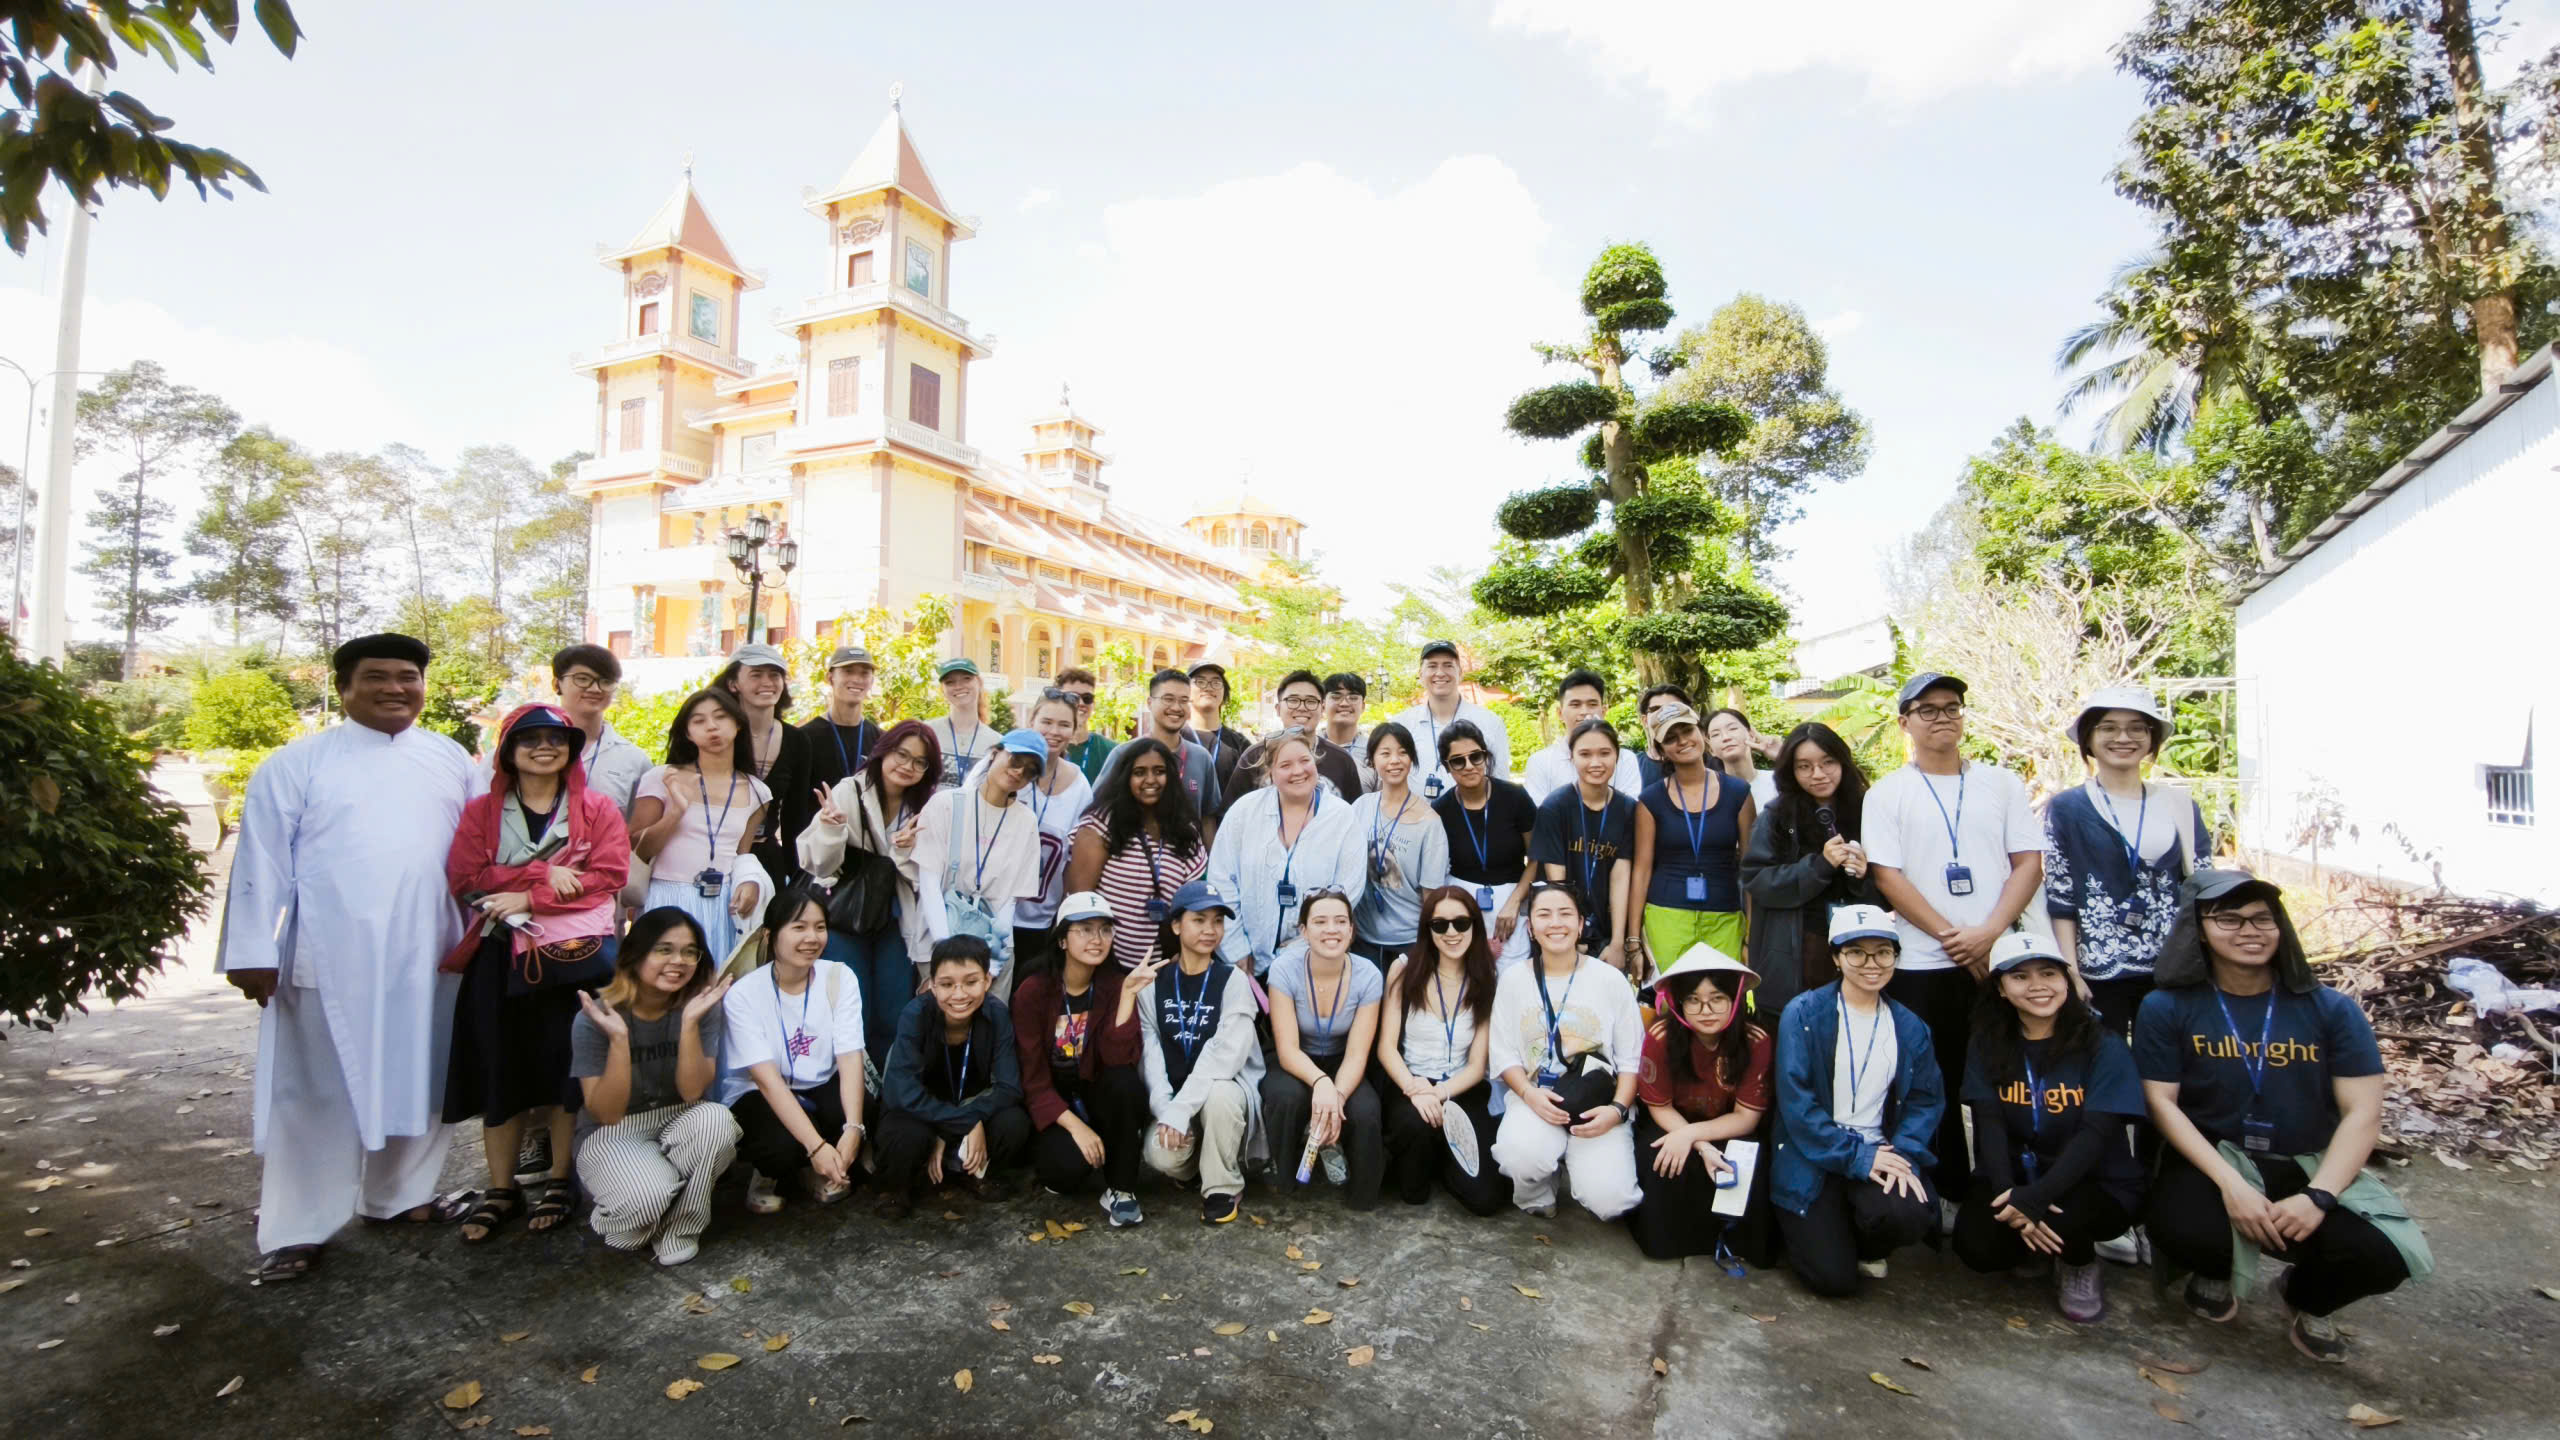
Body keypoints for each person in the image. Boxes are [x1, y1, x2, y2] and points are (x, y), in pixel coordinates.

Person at [218, 633, 478, 1282]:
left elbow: (479, 852)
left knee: (422, 1075)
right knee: (317, 1091)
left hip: (433, 947)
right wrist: (251, 949)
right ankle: (297, 1227)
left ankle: (400, 1197)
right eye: (377, 676)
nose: (396, 687)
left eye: (409, 676)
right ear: (344, 687)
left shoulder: (450, 759)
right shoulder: (297, 764)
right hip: (330, 954)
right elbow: (261, 861)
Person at [2136, 870, 2427, 1363]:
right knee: (2184, 1227)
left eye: (2262, 918)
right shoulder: (2167, 1007)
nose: (2249, 930)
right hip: (2219, 1158)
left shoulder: (2331, 1009)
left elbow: (2363, 1112)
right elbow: (2162, 1102)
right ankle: (2215, 1269)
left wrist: (2319, 1196)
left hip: (2308, 1159)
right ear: (2198, 928)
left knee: (2384, 1255)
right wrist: (2232, 1185)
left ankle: (2305, 1297)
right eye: (2229, 918)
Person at [443, 703, 631, 1244]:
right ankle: (500, 1187)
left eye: (556, 738)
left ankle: (559, 1177)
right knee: (499, 1065)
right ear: (508, 749)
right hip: (499, 955)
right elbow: (466, 878)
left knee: (565, 1067)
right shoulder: (482, 811)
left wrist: (529, 893)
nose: (544, 746)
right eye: (530, 738)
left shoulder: (595, 809)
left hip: (570, 957)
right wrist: (551, 873)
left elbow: (609, 874)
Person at [1866, 671, 2043, 1203]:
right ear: (1905, 723)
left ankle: (2012, 1188)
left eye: (1952, 707)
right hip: (1923, 962)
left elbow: (2028, 863)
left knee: (2009, 1081)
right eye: (1928, 710)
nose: (1942, 718)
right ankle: (1946, 1195)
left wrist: (1988, 934)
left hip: (2001, 958)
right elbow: (1887, 876)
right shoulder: (1887, 792)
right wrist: (1953, 938)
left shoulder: (2002, 783)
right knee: (1932, 1083)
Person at [1953, 931, 2146, 1323]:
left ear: (2066, 981)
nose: (2038, 986)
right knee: (1976, 1245)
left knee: (2068, 1215)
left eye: (2049, 974)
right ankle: (2036, 1245)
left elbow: (2096, 1133)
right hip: (2018, 1177)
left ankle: (2079, 1262)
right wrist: (2009, 1192)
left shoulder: (2103, 1044)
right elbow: (1987, 1122)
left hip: (2092, 1181)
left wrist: (2038, 1196)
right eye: (2020, 977)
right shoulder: (1987, 1042)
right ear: (2002, 989)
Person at [1769, 904, 1944, 1298]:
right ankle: (1817, 1234)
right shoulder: (1803, 1014)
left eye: (1883, 952)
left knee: (1913, 1212)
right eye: (1856, 952)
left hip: (1876, 1148)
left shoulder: (1910, 1027)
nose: (1872, 964)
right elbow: (1797, 1104)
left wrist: (1903, 1152)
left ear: (1896, 957)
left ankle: (1860, 1241)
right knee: (1834, 1280)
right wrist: (1857, 1158)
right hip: (1812, 1153)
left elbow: (1925, 1101)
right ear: (1836, 957)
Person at [569, 907, 739, 1266]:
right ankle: (642, 1205)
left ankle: (679, 1227)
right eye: (664, 949)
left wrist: (690, 1023)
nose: (678, 961)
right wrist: (618, 1040)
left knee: (718, 1121)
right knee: (647, 1198)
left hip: (679, 1117)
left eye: (690, 951)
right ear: (636, 953)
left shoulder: (701, 1006)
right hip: (612, 1131)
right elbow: (606, 1111)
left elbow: (693, 1093)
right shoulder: (595, 1019)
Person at [2048, 687, 2205, 1040]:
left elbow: (2203, 890)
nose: (2123, 737)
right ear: (2088, 738)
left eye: (2137, 727)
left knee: (2172, 1070)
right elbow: (2061, 898)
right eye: (2108, 727)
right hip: (2099, 974)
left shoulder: (2180, 806)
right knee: (2108, 1069)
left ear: (2151, 739)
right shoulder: (2068, 808)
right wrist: (2071, 973)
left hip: (2173, 970)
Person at [1489, 883, 1643, 1221]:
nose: (1555, 923)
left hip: (1595, 1101)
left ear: (1581, 924)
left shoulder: (1609, 980)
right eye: (1544, 915)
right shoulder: (1513, 979)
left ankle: (1582, 1160)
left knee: (1612, 1203)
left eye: (1565, 914)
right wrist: (1529, 1095)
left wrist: (1616, 1111)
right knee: (1520, 1156)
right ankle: (1538, 1188)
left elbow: (1632, 1060)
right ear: (1530, 928)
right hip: (1537, 1096)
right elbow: (1503, 1055)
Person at [799, 719, 941, 1064]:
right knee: (851, 1005)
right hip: (846, 915)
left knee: (893, 1009)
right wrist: (833, 829)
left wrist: (908, 852)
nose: (907, 766)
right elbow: (818, 865)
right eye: (901, 754)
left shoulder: (927, 806)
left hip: (895, 917)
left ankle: (887, 1091)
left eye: (919, 762)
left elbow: (926, 877)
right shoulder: (849, 791)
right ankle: (847, 1090)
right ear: (883, 751)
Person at [721, 883, 867, 1214]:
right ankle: (774, 1171)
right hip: (761, 1092)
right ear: (770, 935)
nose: (811, 938)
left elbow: (849, 1057)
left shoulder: (839, 977)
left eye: (819, 927)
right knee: (779, 1145)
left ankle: (818, 1167)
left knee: (860, 1110)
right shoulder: (743, 994)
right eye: (798, 927)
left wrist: (854, 1128)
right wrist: (816, 1147)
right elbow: (767, 1081)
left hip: (820, 1082)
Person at [1009, 893, 1150, 1225]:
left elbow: (1118, 1060)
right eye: (1084, 930)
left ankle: (1121, 1189)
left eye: (1105, 930)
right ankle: (1079, 1154)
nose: (1097, 939)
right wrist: (1077, 1129)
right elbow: (1033, 1078)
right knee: (1064, 1171)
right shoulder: (1033, 990)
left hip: (1095, 1094)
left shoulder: (1116, 984)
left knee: (1125, 1082)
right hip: (1053, 1104)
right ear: (1061, 939)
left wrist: (1128, 997)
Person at [1629, 943, 1773, 1266]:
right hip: (1672, 1121)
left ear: (1734, 999)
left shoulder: (1755, 1041)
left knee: (1749, 1164)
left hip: (1728, 1126)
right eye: (1693, 1000)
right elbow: (1660, 1105)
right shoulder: (1662, 1036)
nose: (1705, 1010)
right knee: (1662, 1163)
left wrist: (1695, 1137)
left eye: (1717, 999)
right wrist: (1699, 1144)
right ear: (1679, 1003)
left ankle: (1733, 1243)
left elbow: (1746, 1117)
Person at [1131, 881, 1268, 1223]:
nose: (1210, 930)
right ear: (1176, 925)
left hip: (1223, 1095)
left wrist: (1181, 1107)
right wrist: (1168, 1110)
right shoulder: (1154, 984)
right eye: (1199, 920)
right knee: (1160, 1155)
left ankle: (1222, 1186)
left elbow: (1224, 1057)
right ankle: (1193, 1170)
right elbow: (1151, 1056)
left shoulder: (1233, 980)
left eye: (1218, 921)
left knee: (1220, 1093)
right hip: (1177, 1098)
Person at [875, 935, 1033, 1217]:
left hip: (971, 1104)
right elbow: (902, 1092)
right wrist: (964, 1122)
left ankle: (972, 1172)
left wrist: (964, 1121)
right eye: (947, 985)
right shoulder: (915, 1015)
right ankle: (896, 1188)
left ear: (987, 980)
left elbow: (1009, 1087)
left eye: (971, 982)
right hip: (920, 1112)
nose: (959, 994)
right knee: (905, 1132)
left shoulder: (996, 1014)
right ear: (932, 985)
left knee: (1014, 1122)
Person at [1375, 886, 1509, 1214]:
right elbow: (1386, 1048)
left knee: (1486, 1200)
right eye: (1440, 925)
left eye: (1461, 923)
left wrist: (1439, 1093)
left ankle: (1445, 1154)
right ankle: (1427, 1150)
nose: (1451, 932)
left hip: (1461, 1089)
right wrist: (1414, 1089)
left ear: (1475, 926)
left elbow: (1478, 1066)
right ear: (1428, 929)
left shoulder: (1487, 978)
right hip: (1411, 1084)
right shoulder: (1404, 970)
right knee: (1413, 1192)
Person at [1742, 722, 1880, 1018]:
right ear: (1791, 770)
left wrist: (1863, 876)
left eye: (1828, 762)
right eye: (1804, 766)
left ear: (1843, 761)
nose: (1818, 774)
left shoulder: (1870, 809)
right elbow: (1757, 880)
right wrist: (1819, 866)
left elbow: (1890, 890)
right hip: (1799, 949)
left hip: (1860, 947)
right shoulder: (1777, 816)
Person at [1261, 889, 1387, 1209]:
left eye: (1340, 921)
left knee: (1365, 1112)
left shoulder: (1368, 975)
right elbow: (1287, 1048)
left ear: (1351, 930)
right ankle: (1285, 1178)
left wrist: (1337, 1097)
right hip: (1296, 1058)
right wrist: (1320, 1082)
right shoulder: (1284, 969)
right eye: (1320, 921)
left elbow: (1358, 1053)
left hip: (1343, 1059)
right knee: (1285, 1097)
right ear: (1303, 931)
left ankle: (1359, 1192)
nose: (1331, 929)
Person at [1207, 729, 1369, 977]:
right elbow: (1222, 879)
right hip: (1245, 964)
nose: (1298, 771)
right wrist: (1236, 949)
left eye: (1305, 761)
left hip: (1314, 961)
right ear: (1270, 772)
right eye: (1285, 765)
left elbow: (1348, 890)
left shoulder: (1343, 817)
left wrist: (1301, 948)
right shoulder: (1244, 812)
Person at [629, 689, 772, 961]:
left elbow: (742, 854)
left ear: (738, 724)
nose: (712, 727)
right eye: (698, 721)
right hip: (666, 896)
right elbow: (636, 847)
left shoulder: (758, 791)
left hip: (723, 903)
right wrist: (676, 812)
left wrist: (751, 880)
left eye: (720, 717)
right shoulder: (662, 777)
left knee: (716, 987)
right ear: (687, 733)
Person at [1627, 703, 1753, 984]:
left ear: (1702, 734)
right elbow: (1642, 870)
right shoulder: (1650, 800)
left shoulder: (1738, 793)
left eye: (1687, 731)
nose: (1683, 741)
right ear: (1660, 750)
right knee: (1675, 1002)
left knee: (1723, 1000)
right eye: (1671, 738)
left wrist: (1751, 935)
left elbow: (1750, 867)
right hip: (1667, 916)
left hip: (1725, 915)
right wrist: (1634, 940)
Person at [912, 729, 1046, 983]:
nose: (1019, 771)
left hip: (993, 950)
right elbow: (929, 884)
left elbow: (1008, 900)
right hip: (936, 943)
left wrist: (993, 963)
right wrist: (947, 951)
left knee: (988, 1021)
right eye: (1015, 760)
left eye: (1030, 770)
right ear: (995, 753)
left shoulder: (1025, 821)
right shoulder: (945, 804)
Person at [1065, 736, 1210, 973]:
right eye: (1139, 772)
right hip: (1106, 965)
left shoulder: (1186, 830)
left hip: (1164, 966)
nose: (1150, 780)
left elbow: (1192, 903)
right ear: (1125, 777)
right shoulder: (1101, 825)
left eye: (1159, 771)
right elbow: (1079, 901)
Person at [1529, 719, 1638, 976]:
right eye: (1585, 754)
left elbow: (1621, 877)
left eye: (1604, 753)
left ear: (1617, 756)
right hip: (1561, 930)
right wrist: (1572, 939)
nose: (1596, 763)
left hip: (1607, 929)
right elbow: (1558, 884)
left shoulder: (1627, 809)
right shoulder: (1555, 807)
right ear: (1571, 758)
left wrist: (1618, 943)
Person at [1434, 720, 1540, 968]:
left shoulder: (1515, 798)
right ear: (1447, 767)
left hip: (1512, 905)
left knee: (1513, 983)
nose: (1469, 766)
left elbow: (1536, 857)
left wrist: (1514, 903)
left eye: (1476, 757)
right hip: (1461, 911)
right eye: (1458, 761)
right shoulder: (1440, 810)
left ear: (1485, 756)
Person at [1006, 690, 1095, 978]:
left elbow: (1078, 852)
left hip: (1043, 917)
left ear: (1074, 729)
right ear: (1031, 721)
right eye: (1046, 722)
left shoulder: (1079, 783)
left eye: (1064, 725)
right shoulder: (1004, 767)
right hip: (995, 910)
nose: (1054, 732)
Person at [1348, 723, 1449, 965]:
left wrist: (1429, 947)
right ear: (1372, 760)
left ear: (1412, 759)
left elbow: (1431, 894)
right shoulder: (1361, 806)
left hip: (1408, 941)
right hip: (1361, 938)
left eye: (1403, 752)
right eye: (1385, 753)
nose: (1395, 760)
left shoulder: (1430, 822)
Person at [715, 643, 812, 887]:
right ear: (733, 683)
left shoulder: (797, 740)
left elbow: (795, 820)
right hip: (715, 856)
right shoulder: (715, 734)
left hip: (767, 858)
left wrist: (798, 880)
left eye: (775, 675)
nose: (767, 682)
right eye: (756, 675)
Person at [1100, 667, 1224, 829]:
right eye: (1168, 699)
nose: (1176, 707)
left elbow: (1208, 819)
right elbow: (1099, 812)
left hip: (1187, 852)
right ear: (1150, 703)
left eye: (1184, 700)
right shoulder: (1123, 754)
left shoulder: (1201, 758)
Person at [1224, 669, 1363, 808]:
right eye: (1293, 700)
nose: (1302, 707)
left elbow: (1355, 816)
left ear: (1322, 709)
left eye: (1310, 701)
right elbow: (1230, 815)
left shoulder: (1342, 760)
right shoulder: (1254, 757)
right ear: (1278, 709)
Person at [1395, 639, 1511, 799]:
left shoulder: (1490, 722)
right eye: (1432, 665)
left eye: (1448, 665)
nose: (1440, 673)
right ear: (1420, 674)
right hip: (1417, 819)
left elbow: (1500, 779)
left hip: (1472, 820)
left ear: (1460, 673)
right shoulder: (1402, 724)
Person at [550, 643, 649, 816]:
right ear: (556, 684)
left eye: (606, 681)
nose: (595, 689)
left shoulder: (634, 761)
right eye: (582, 678)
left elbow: (637, 829)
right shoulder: (524, 748)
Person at [1522, 669, 1642, 802]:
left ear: (1604, 711)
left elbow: (1629, 810)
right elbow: (1539, 814)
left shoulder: (1625, 759)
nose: (1584, 712)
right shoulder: (1540, 762)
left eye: (1592, 704)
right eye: (1575, 704)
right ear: (1560, 713)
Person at [801, 645, 885, 797]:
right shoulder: (805, 737)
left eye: (864, 673)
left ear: (871, 681)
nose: (857, 679)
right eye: (848, 671)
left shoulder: (881, 739)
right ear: (830, 678)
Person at [927, 658, 1002, 791]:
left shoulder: (997, 742)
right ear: (942, 690)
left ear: (979, 683)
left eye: (966, 678)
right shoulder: (928, 732)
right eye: (950, 682)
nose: (958, 686)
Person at [1184, 660, 1250, 794]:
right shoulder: (1175, 740)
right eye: (1200, 682)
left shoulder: (1240, 744)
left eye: (1216, 682)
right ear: (1186, 691)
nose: (1208, 688)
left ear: (1224, 693)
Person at [1704, 707, 1778, 810]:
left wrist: (1782, 755)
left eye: (1732, 729)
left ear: (1751, 735)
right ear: (1711, 749)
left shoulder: (1778, 781)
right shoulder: (1708, 794)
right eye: (1716, 734)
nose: (1725, 737)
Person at [1054, 667, 1118, 784]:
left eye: (1087, 698)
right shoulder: (1044, 747)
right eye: (1072, 696)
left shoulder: (1112, 751)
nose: (1081, 703)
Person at [1321, 671, 1376, 793]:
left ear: (1362, 706)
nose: (1345, 703)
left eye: (1353, 698)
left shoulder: (1373, 751)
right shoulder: (1308, 747)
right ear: (1323, 704)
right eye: (1336, 697)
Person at [1633, 684, 1694, 792]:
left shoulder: (1704, 761)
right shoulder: (1631, 766)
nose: (1665, 713)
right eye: (1656, 709)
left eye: (1673, 707)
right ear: (1645, 720)